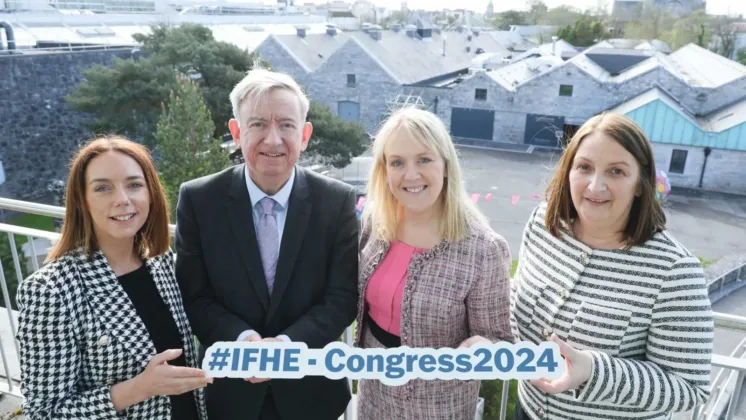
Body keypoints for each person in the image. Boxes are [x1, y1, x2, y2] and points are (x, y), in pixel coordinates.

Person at [174, 68, 359, 420]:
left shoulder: (336, 202)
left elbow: (342, 298)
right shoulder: (199, 200)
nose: (273, 140)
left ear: (304, 135)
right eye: (258, 124)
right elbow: (195, 296)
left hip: (312, 393)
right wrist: (245, 343)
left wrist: (282, 349)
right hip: (229, 392)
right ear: (236, 131)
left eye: (286, 125)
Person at [508, 112, 713, 420]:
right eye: (584, 167)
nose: (595, 185)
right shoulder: (542, 225)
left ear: (641, 184)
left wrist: (594, 371)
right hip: (528, 410)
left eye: (616, 171)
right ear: (568, 172)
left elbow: (689, 387)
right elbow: (518, 301)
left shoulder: (674, 270)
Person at [16, 136, 210, 420]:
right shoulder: (50, 290)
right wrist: (139, 388)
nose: (122, 199)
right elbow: (44, 413)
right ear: (82, 200)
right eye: (103, 188)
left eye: (134, 185)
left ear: (150, 193)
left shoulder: (161, 261)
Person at [353, 107, 514, 419]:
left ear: (445, 166)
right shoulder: (376, 221)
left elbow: (500, 340)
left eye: (424, 159)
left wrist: (484, 348)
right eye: (397, 162)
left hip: (439, 406)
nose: (411, 175)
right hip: (373, 394)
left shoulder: (484, 248)